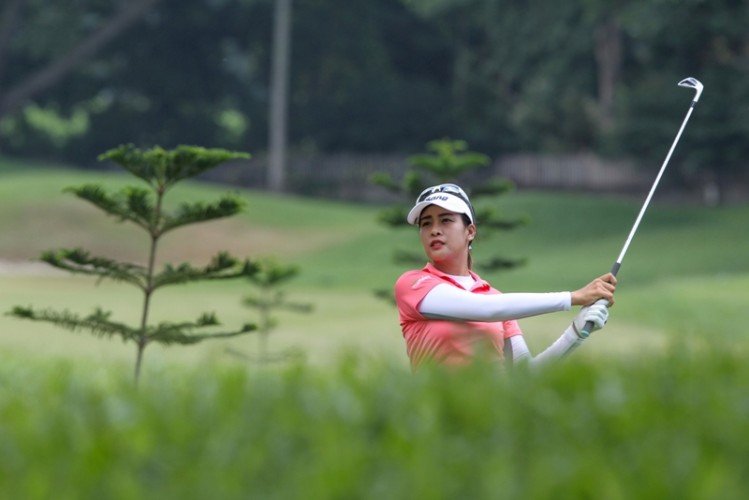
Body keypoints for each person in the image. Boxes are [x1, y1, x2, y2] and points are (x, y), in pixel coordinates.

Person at [394, 183, 617, 369]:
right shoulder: (413, 284)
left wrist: (576, 333)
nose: (434, 229)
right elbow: (485, 309)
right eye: (426, 223)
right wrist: (573, 297)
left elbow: (524, 377)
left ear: (470, 232)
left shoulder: (493, 297)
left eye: (445, 220)